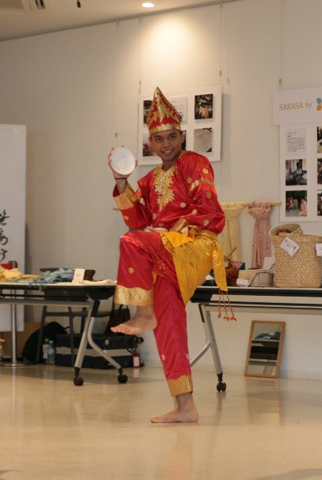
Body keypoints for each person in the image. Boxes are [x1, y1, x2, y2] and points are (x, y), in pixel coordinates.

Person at [108, 87, 228, 423]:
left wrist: (171, 230)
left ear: (182, 136)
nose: (166, 145)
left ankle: (142, 312)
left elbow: (209, 211)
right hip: (164, 251)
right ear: (150, 143)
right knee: (169, 325)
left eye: (172, 137)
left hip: (193, 245)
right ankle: (185, 406)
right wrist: (121, 182)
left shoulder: (195, 163)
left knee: (131, 242)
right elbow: (137, 219)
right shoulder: (149, 180)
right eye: (159, 139)